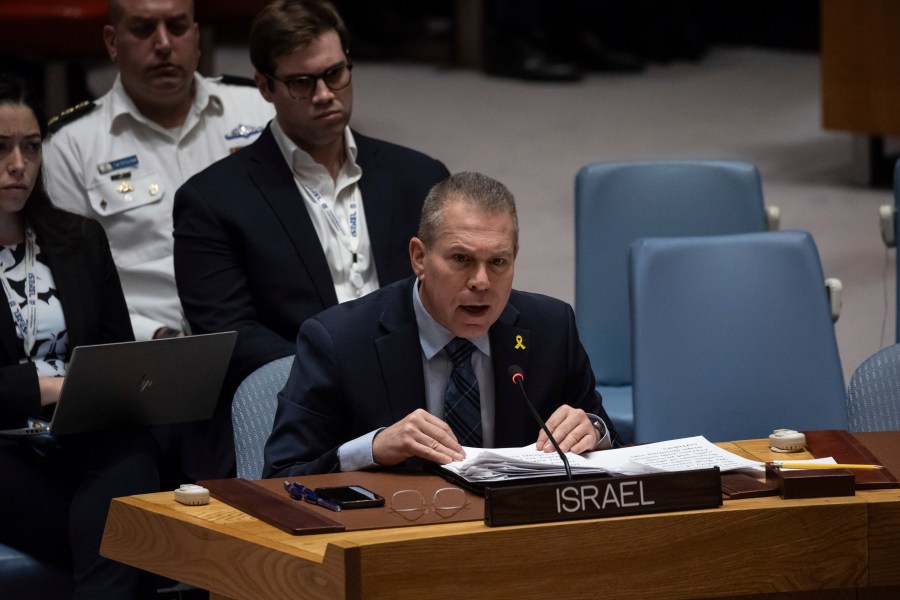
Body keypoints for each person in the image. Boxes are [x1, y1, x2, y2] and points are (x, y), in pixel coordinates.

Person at [173, 0, 449, 443]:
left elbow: (452, 290)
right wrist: (340, 378)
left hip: (421, 395)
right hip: (299, 405)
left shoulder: (420, 176)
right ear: (264, 86)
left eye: (335, 74)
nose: (324, 94)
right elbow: (231, 333)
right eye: (302, 82)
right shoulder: (212, 200)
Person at [264, 172, 617, 477]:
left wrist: (593, 429)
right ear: (419, 257)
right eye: (461, 259)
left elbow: (605, 434)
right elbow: (282, 474)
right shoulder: (340, 341)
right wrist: (372, 448)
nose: (481, 281)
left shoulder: (550, 329)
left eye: (498, 261)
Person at [0, 73, 159, 599]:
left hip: (84, 434)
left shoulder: (79, 239)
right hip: (6, 445)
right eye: (0, 149)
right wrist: (49, 388)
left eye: (30, 147)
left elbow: (113, 351)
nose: (18, 166)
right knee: (117, 538)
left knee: (134, 451)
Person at [41, 0, 275, 342]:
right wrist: (157, 337)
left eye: (177, 28)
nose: (164, 44)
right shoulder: (70, 146)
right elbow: (72, 285)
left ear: (196, 37)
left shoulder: (259, 107)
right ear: (112, 42)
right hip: (148, 351)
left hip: (268, 330)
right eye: (143, 29)